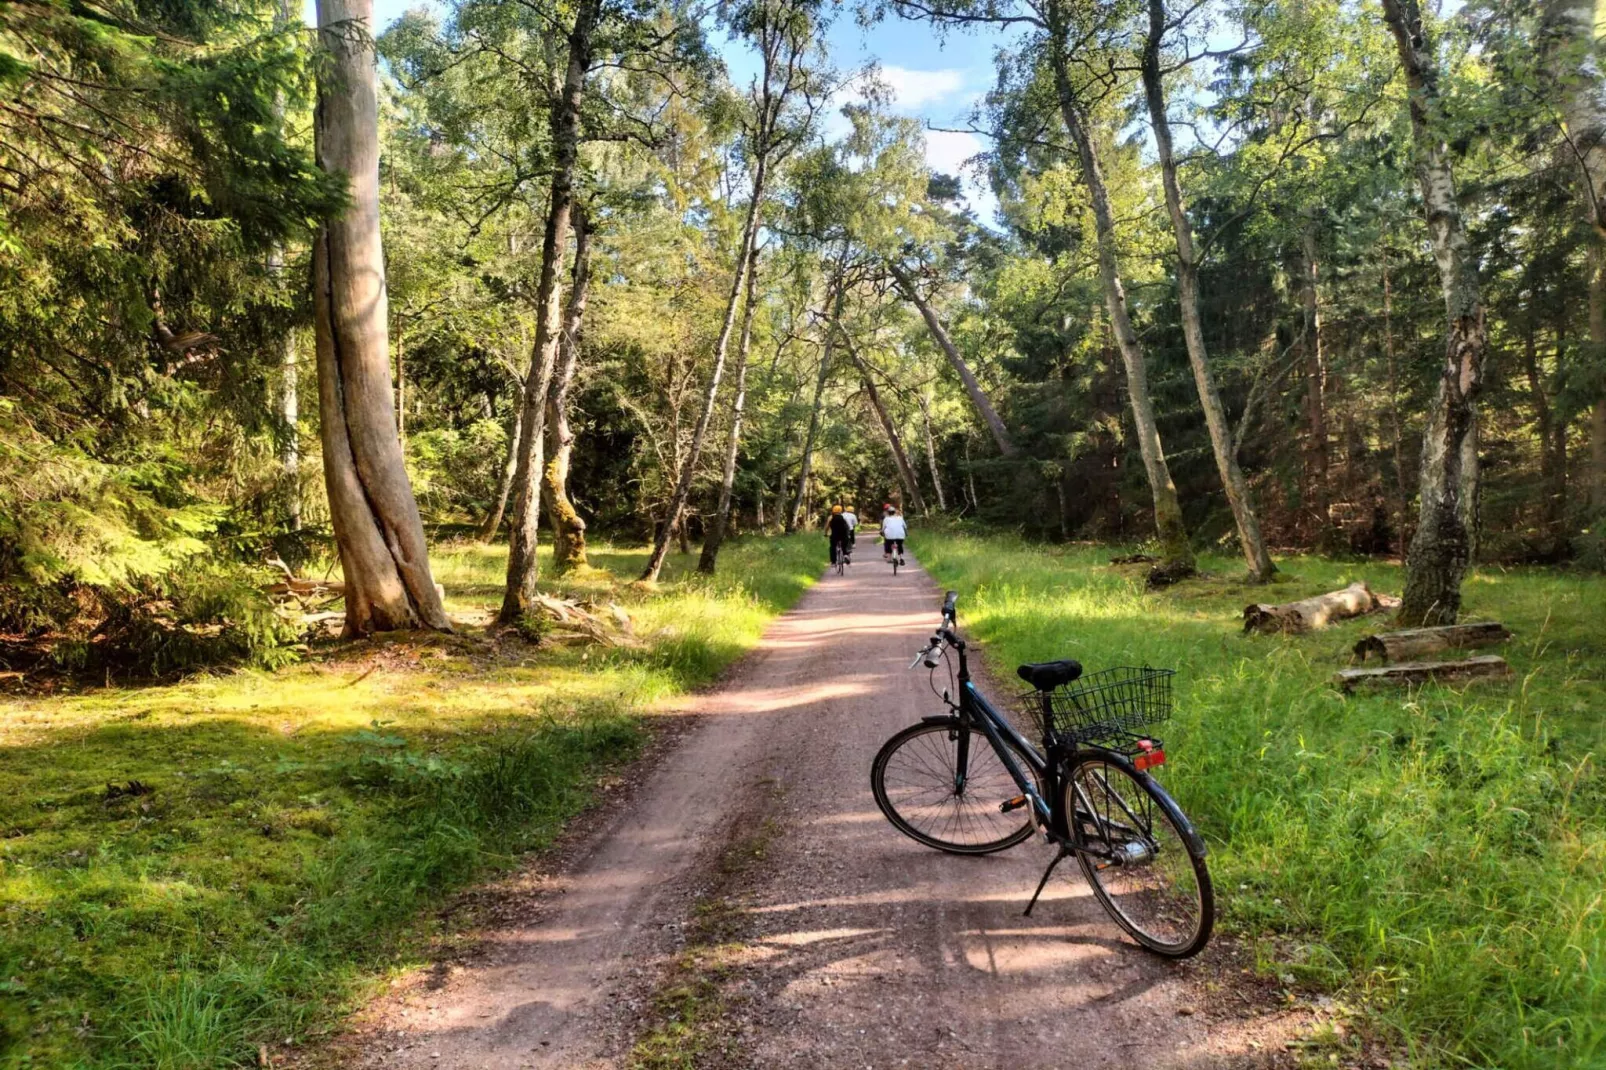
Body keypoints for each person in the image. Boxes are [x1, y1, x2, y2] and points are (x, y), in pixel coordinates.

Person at [827, 505, 853, 569]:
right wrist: (848, 533)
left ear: (833, 510)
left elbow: (827, 526)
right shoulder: (843, 517)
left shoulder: (831, 517)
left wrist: (825, 533)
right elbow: (848, 526)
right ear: (841, 510)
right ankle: (845, 555)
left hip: (834, 535)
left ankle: (833, 562)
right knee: (844, 545)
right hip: (843, 535)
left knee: (832, 547)